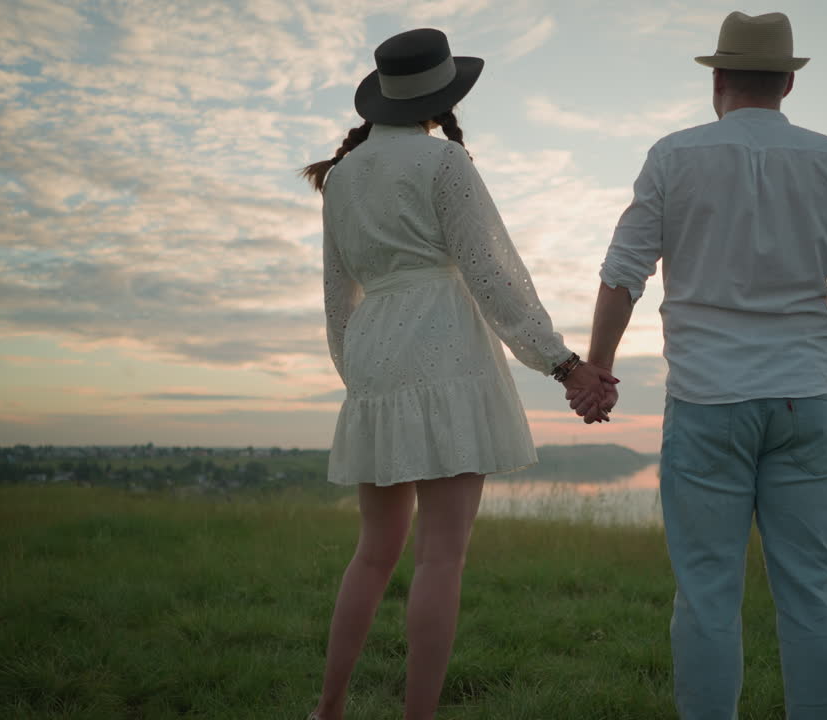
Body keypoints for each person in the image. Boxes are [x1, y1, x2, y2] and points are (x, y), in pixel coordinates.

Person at [571, 11, 827, 720]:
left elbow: (623, 274)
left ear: (716, 79)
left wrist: (597, 367)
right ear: (786, 83)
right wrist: (825, 380)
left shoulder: (674, 156)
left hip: (708, 401)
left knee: (708, 591)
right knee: (814, 588)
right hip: (804, 400)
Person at [302, 28, 617, 720]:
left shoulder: (341, 177)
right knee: (441, 557)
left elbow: (336, 299)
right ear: (439, 96)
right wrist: (562, 365)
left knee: (372, 553)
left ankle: (328, 709)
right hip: (445, 351)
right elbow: (492, 276)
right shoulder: (444, 163)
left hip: (376, 358)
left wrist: (360, 379)